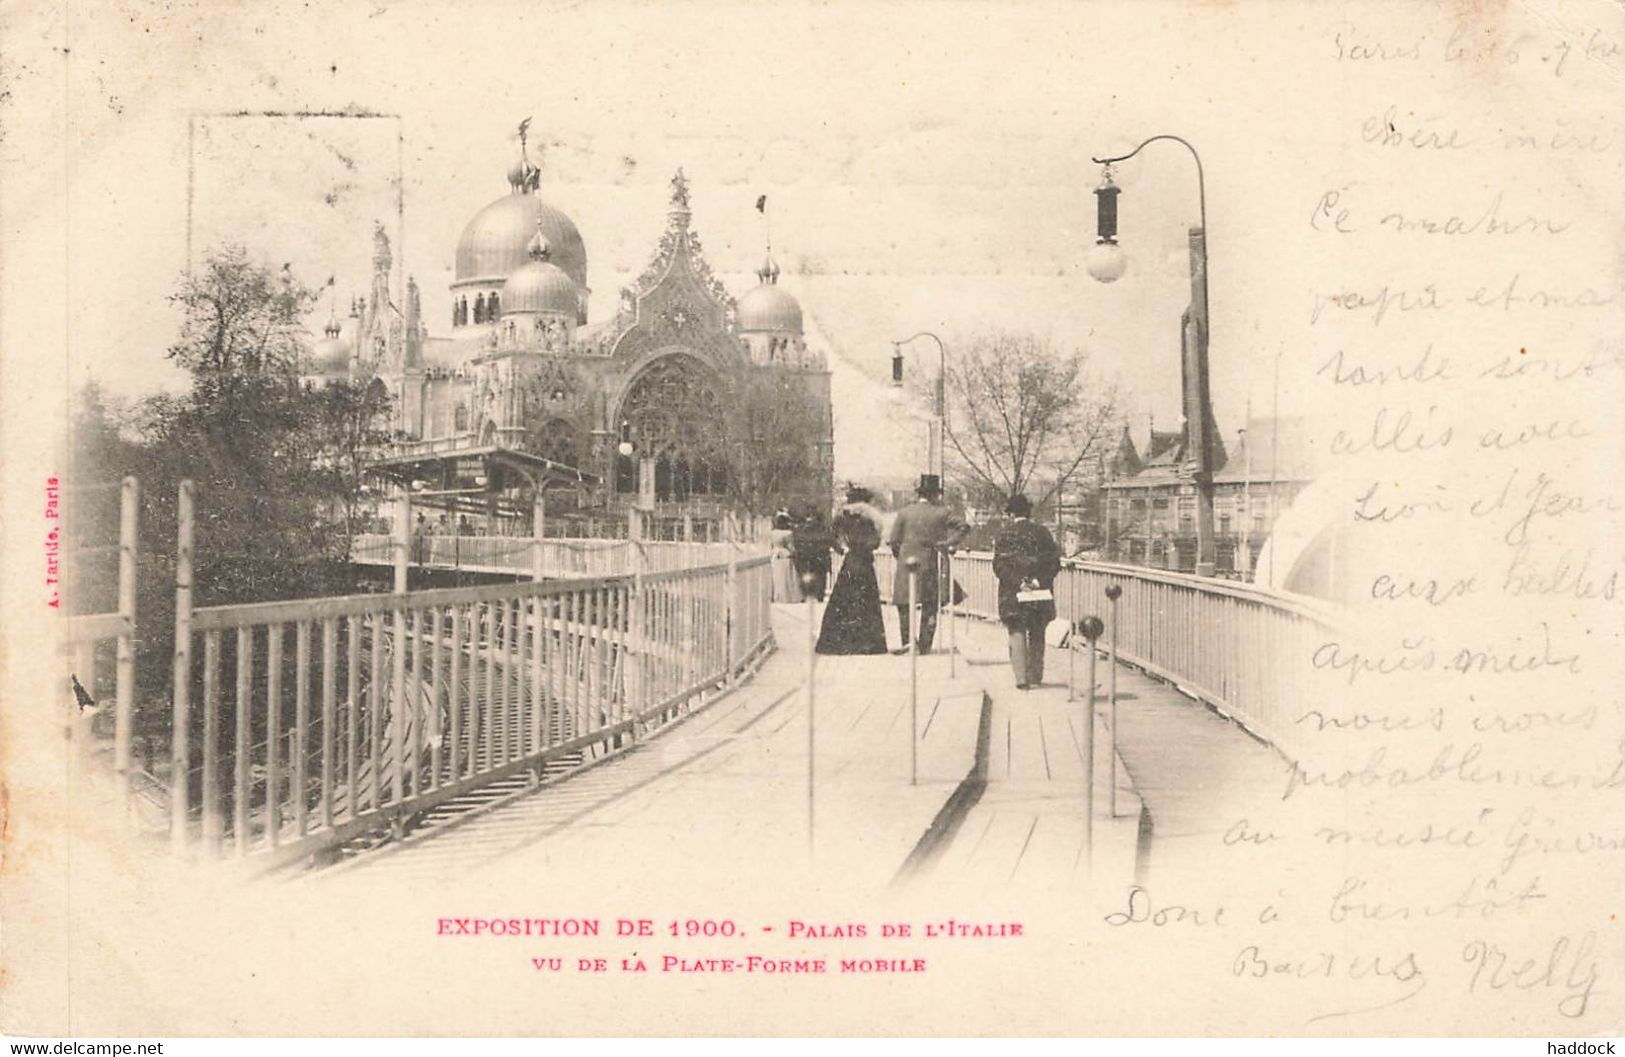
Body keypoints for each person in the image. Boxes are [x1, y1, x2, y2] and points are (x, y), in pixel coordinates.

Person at [884, 473, 966, 655]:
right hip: (931, 561)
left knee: (904, 603)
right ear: (935, 494)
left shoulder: (904, 513)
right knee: (931, 603)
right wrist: (948, 543)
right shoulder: (943, 512)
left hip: (906, 562)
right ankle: (925, 644)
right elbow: (964, 526)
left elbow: (894, 541)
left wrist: (901, 556)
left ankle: (908, 642)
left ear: (919, 494)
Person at [993, 494, 1061, 689]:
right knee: (1037, 632)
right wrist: (1038, 581)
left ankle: (1021, 679)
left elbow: (999, 566)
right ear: (1028, 512)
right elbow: (1054, 563)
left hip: (1013, 592)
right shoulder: (1043, 533)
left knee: (1016, 630)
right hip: (1040, 591)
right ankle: (1036, 676)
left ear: (1011, 513)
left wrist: (1019, 582)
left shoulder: (1004, 534)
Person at [815, 485, 888, 655]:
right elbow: (876, 542)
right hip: (865, 561)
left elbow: (831, 536)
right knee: (866, 601)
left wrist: (842, 549)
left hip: (850, 561)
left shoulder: (842, 516)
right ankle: (867, 644)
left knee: (843, 599)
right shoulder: (872, 518)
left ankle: (838, 642)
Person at [790, 510, 834, 602]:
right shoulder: (823, 529)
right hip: (820, 558)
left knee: (806, 574)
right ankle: (819, 595)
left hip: (807, 558)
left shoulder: (802, 529)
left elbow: (797, 542)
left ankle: (806, 595)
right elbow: (830, 541)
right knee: (821, 577)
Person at [769, 510, 803, 603]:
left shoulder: (773, 533)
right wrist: (794, 553)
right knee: (786, 576)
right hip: (784, 554)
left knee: (776, 576)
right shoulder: (788, 533)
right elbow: (791, 546)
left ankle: (776, 595)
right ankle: (788, 596)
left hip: (774, 554)